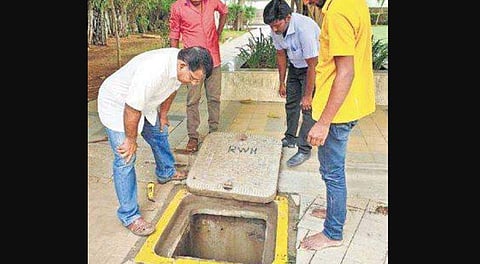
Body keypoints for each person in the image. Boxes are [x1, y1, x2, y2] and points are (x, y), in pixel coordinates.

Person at [97, 46, 213, 236]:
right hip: (118, 105)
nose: (193, 84)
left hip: (142, 103)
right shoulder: (152, 71)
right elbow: (131, 109)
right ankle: (129, 216)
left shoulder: (179, 66)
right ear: (182, 65)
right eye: (192, 79)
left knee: (159, 133)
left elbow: (171, 90)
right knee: (125, 157)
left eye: (196, 81)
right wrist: (131, 139)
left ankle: (166, 171)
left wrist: (164, 114)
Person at [299, 0, 376, 251]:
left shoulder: (338, 13)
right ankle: (335, 211)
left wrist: (323, 123)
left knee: (332, 172)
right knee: (332, 171)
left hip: (338, 111)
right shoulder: (353, 2)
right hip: (353, 101)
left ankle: (333, 232)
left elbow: (346, 72)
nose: (307, 3)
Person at [263, 0, 320, 167]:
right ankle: (290, 138)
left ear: (288, 18)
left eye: (276, 25)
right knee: (291, 104)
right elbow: (281, 55)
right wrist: (282, 82)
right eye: (271, 25)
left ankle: (304, 149)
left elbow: (313, 65)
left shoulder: (304, 29)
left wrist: (308, 95)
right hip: (295, 67)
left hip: (314, 68)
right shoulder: (276, 28)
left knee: (307, 108)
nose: (274, 29)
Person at [169, 0, 228, 152]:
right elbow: (174, 34)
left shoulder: (212, 1)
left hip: (214, 59)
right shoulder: (178, 7)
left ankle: (214, 131)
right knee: (193, 100)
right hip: (193, 64)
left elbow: (224, 11)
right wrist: (173, 60)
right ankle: (193, 136)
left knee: (214, 98)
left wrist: (218, 32)